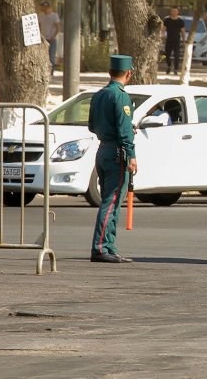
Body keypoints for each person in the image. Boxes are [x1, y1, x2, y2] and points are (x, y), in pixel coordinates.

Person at [88, 54, 138, 264]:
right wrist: (131, 155)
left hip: (103, 150)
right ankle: (100, 247)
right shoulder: (121, 96)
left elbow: (91, 125)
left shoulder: (99, 95)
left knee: (113, 201)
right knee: (112, 201)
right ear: (128, 73)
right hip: (117, 153)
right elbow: (124, 129)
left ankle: (109, 245)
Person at [37, 0, 61, 74]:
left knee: (51, 55)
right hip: (43, 38)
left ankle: (51, 70)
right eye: (42, 7)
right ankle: (44, 70)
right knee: (43, 55)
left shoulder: (54, 16)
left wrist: (54, 36)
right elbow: (39, 26)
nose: (43, 8)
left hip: (51, 38)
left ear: (48, 7)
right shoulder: (40, 16)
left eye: (45, 7)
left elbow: (58, 27)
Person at [162, 7, 186, 75]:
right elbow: (163, 29)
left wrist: (184, 41)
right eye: (172, 11)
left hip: (177, 41)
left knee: (177, 55)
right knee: (167, 55)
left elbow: (183, 32)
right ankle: (169, 66)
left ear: (178, 12)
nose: (174, 12)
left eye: (175, 11)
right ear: (170, 12)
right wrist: (162, 36)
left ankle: (176, 69)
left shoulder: (180, 21)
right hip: (169, 40)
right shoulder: (167, 20)